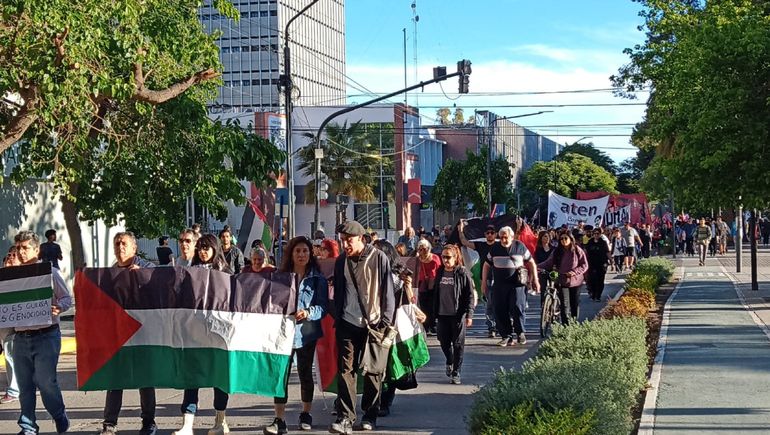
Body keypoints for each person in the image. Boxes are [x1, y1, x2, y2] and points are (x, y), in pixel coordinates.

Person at [330, 220, 395, 434]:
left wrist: (385, 321)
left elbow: (387, 291)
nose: (345, 245)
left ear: (362, 239)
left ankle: (370, 415)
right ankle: (346, 417)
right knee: (346, 369)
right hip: (348, 322)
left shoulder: (379, 259)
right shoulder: (341, 262)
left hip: (374, 324)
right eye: (342, 241)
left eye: (349, 241)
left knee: (373, 372)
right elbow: (340, 291)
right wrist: (337, 317)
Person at [263, 237, 328, 435]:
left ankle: (306, 413)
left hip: (307, 331)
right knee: (280, 374)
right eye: (297, 251)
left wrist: (308, 312)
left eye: (305, 251)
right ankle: (279, 418)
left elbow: (323, 307)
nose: (301, 255)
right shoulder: (280, 276)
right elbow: (271, 302)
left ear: (310, 254)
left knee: (305, 373)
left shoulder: (318, 278)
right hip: (283, 331)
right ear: (291, 254)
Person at [12, 231, 72, 435]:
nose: (21, 252)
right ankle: (28, 426)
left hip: (46, 335)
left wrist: (58, 308)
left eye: (25, 247)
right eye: (18, 247)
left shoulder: (50, 273)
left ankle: (58, 414)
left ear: (36, 250)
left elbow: (66, 299)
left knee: (46, 382)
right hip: (20, 338)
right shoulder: (11, 276)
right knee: (24, 385)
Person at [173, 234, 232, 435]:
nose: (203, 251)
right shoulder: (189, 273)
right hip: (194, 334)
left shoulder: (226, 273)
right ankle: (187, 424)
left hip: (218, 335)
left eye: (207, 247)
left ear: (215, 249)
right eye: (200, 248)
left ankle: (220, 421)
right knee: (192, 379)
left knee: (220, 379)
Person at [101, 232, 157, 435]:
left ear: (134, 248)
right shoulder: (108, 275)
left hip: (143, 332)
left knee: (145, 379)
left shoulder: (147, 268)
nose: (120, 247)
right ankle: (110, 424)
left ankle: (149, 422)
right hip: (118, 334)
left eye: (124, 244)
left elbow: (162, 286)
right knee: (115, 379)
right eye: (116, 244)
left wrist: (143, 275)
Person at [370, 240, 412, 418]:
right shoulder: (369, 273)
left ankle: (385, 401)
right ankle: (374, 400)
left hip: (393, 325)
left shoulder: (398, 277)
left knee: (389, 365)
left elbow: (408, 302)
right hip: (372, 324)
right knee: (373, 364)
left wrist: (408, 286)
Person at [487, 226, 540, 347]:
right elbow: (486, 264)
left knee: (517, 308)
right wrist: (484, 281)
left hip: (517, 285)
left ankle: (520, 332)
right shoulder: (495, 248)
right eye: (501, 237)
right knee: (500, 310)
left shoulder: (519, 246)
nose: (503, 240)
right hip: (500, 285)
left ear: (511, 237)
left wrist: (535, 280)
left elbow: (531, 262)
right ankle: (506, 336)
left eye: (505, 237)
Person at [432, 244, 474, 385]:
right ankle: (449, 360)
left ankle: (456, 372)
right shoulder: (440, 272)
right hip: (442, 314)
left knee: (457, 344)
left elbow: (469, 295)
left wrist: (469, 314)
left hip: (457, 314)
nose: (445, 260)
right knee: (443, 341)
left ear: (456, 258)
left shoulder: (462, 273)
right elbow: (435, 293)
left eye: (448, 257)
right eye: (443, 257)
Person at [537, 232, 589, 324]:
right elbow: (548, 263)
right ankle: (565, 326)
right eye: (561, 239)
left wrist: (574, 272)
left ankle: (574, 323)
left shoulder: (577, 250)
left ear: (570, 239)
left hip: (575, 282)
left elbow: (584, 265)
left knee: (574, 304)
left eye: (566, 238)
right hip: (561, 280)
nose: (563, 241)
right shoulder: (557, 251)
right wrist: (536, 267)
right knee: (564, 305)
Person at [458, 222, 498, 338]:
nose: (490, 235)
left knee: (500, 304)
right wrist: (461, 230)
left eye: (492, 233)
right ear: (485, 234)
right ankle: (492, 327)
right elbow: (464, 242)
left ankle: (501, 325)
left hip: (500, 278)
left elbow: (513, 241)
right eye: (488, 233)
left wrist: (518, 227)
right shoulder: (480, 245)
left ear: (495, 234)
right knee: (488, 304)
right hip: (485, 278)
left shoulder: (500, 245)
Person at [1, 246, 21, 405]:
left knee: (10, 355)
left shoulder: (24, 279)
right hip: (2, 326)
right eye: (8, 255)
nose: (9, 258)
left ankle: (14, 390)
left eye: (13, 255)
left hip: (15, 326)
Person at [415, 239, 441, 335]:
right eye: (420, 248)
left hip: (433, 283)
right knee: (423, 305)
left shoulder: (434, 258)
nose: (423, 251)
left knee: (432, 305)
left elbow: (439, 269)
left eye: (424, 248)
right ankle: (425, 326)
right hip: (421, 283)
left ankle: (433, 324)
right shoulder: (417, 259)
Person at [584, 228, 610, 301]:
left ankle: (598, 296)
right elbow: (585, 252)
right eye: (594, 233)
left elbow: (607, 252)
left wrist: (611, 260)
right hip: (591, 263)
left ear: (600, 234)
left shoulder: (603, 242)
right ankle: (593, 294)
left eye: (597, 233)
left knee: (600, 280)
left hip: (601, 263)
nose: (596, 235)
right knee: (592, 279)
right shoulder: (590, 242)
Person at [534, 230, 554, 305]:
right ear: (541, 238)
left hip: (552, 270)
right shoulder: (538, 249)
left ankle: (554, 304)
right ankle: (543, 305)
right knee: (543, 289)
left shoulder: (553, 249)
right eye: (545, 236)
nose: (547, 238)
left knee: (554, 287)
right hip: (541, 271)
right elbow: (536, 261)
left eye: (548, 236)